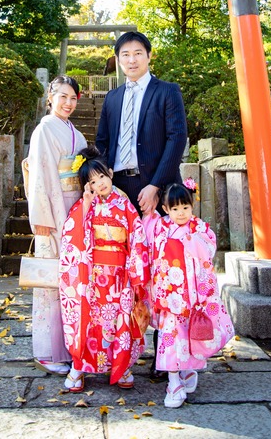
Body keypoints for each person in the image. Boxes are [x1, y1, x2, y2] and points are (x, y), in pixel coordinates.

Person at [57, 147, 150, 392]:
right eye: (92, 182)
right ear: (87, 187)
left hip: (120, 276)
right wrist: (87, 204)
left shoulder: (126, 206)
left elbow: (136, 238)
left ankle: (122, 367)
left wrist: (135, 272)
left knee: (119, 321)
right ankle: (79, 366)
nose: (99, 184)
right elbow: (73, 235)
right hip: (93, 277)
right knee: (89, 320)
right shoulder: (84, 206)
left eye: (102, 177)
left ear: (110, 174)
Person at [141, 179, 235, 408]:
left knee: (193, 336)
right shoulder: (159, 227)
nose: (181, 213)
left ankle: (189, 369)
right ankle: (173, 383)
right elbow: (146, 244)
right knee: (171, 339)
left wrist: (189, 238)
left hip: (194, 297)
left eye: (185, 207)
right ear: (165, 209)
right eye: (174, 209)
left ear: (192, 206)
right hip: (170, 297)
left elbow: (208, 252)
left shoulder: (200, 229)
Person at [25, 75, 87, 375]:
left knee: (73, 279)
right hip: (51, 209)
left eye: (73, 98)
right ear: (50, 97)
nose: (68, 103)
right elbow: (40, 175)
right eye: (62, 96)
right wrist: (41, 217)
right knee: (51, 281)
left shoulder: (77, 134)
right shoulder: (44, 130)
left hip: (75, 208)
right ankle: (47, 350)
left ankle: (73, 345)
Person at [95, 31, 188, 218]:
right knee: (121, 246)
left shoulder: (167, 91)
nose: (132, 60)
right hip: (117, 188)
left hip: (158, 185)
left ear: (149, 55)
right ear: (118, 59)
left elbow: (176, 139)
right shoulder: (112, 98)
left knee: (160, 245)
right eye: (126, 55)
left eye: (138, 53)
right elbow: (102, 141)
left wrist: (155, 186)